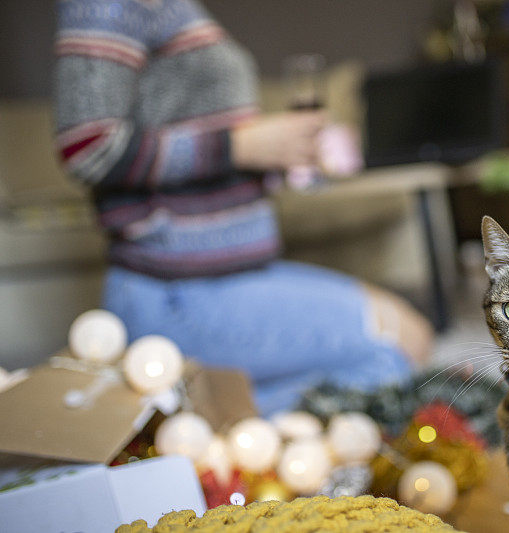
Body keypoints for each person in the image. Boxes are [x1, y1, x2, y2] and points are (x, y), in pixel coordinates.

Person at [53, 0, 433, 413]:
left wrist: (273, 157)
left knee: (410, 329)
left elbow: (194, 145)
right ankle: (190, 419)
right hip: (173, 292)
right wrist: (242, 146)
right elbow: (87, 145)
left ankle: (205, 411)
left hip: (231, 274)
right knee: (393, 356)